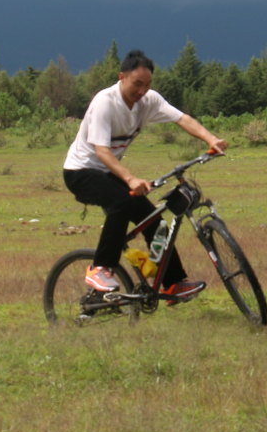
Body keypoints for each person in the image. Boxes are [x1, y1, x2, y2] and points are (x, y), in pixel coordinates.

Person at [62, 49, 227, 299]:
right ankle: (99, 268)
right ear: (122, 77)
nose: (142, 91)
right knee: (121, 202)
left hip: (108, 173)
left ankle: (173, 283)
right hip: (81, 172)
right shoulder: (105, 102)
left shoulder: (149, 100)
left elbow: (182, 119)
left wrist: (211, 139)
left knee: (154, 221)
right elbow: (102, 151)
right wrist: (129, 178)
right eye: (136, 84)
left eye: (147, 85)